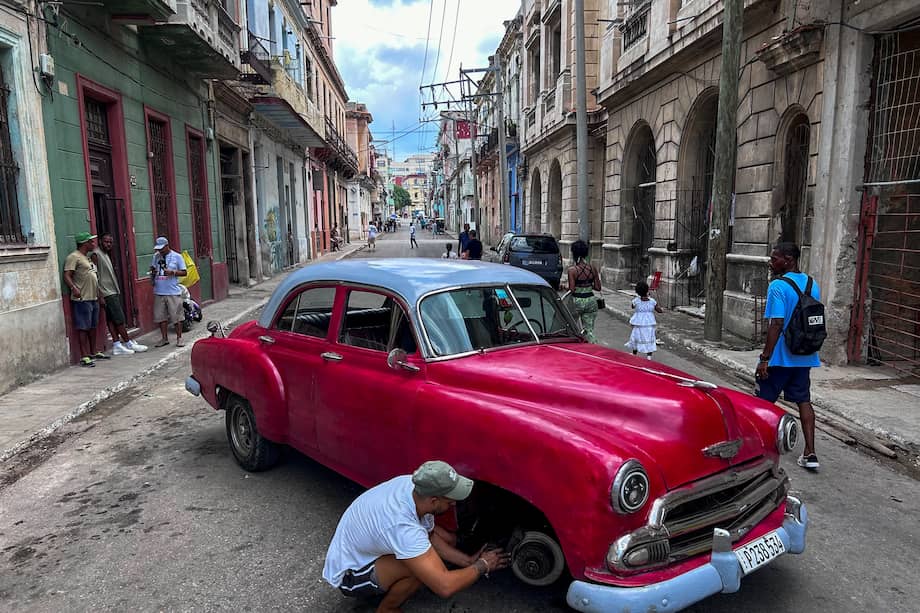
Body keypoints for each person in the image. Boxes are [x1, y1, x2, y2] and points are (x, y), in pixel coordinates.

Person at [323, 460, 510, 613]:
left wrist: (468, 561)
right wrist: (482, 566)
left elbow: (428, 536)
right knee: (421, 571)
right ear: (433, 501)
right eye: (450, 499)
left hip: (368, 546)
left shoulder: (415, 487)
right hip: (350, 574)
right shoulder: (403, 527)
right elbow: (444, 587)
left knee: (444, 544)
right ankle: (387, 609)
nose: (454, 503)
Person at [755, 242, 821, 471]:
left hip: (780, 357)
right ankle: (810, 452)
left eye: (775, 259)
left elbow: (776, 324)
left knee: (761, 403)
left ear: (789, 260)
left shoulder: (777, 286)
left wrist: (765, 358)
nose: (771, 262)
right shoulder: (813, 284)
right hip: (804, 355)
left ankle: (757, 450)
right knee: (804, 400)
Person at [92, 233, 148, 356]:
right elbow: (94, 275)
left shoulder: (106, 254)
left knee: (111, 319)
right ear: (101, 241)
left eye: (110, 242)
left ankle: (117, 344)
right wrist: (99, 295)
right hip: (107, 291)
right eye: (106, 242)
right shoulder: (96, 254)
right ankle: (127, 342)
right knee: (119, 319)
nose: (108, 244)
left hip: (111, 289)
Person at [64, 231, 108, 367]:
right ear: (84, 243)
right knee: (83, 327)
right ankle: (84, 355)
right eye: (91, 242)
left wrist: (99, 296)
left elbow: (94, 277)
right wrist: (73, 288)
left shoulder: (87, 258)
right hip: (82, 298)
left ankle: (93, 351)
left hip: (93, 297)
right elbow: (67, 275)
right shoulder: (73, 257)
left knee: (93, 326)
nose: (93, 244)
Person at [149, 236, 187, 348]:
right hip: (159, 291)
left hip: (172, 291)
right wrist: (152, 276)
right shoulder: (155, 257)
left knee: (177, 317)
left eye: (162, 248)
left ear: (167, 246)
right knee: (161, 317)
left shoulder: (177, 256)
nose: (160, 251)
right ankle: (164, 338)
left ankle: (179, 338)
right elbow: (153, 269)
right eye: (158, 249)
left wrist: (173, 272)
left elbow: (184, 272)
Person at [567, 240, 603, 343]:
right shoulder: (592, 268)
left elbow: (572, 289)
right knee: (589, 330)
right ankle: (592, 346)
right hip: (591, 301)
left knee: (572, 328)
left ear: (574, 253)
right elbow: (598, 287)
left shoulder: (572, 270)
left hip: (576, 301)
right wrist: (587, 285)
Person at [626, 280, 663, 358]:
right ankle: (649, 356)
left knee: (636, 337)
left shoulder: (636, 301)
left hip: (638, 324)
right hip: (649, 324)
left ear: (637, 292)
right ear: (647, 290)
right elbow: (659, 310)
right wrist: (661, 309)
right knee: (649, 338)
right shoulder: (652, 301)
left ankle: (634, 353)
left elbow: (632, 306)